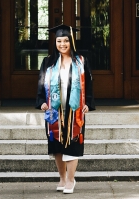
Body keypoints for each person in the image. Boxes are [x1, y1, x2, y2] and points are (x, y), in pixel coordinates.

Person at [36, 24, 95, 194]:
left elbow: (89, 85)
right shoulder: (48, 62)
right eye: (59, 41)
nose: (62, 44)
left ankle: (70, 180)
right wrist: (41, 102)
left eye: (66, 40)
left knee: (72, 143)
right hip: (54, 110)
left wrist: (88, 104)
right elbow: (41, 83)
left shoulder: (81, 61)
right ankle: (62, 178)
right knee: (56, 146)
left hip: (74, 109)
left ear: (71, 42)